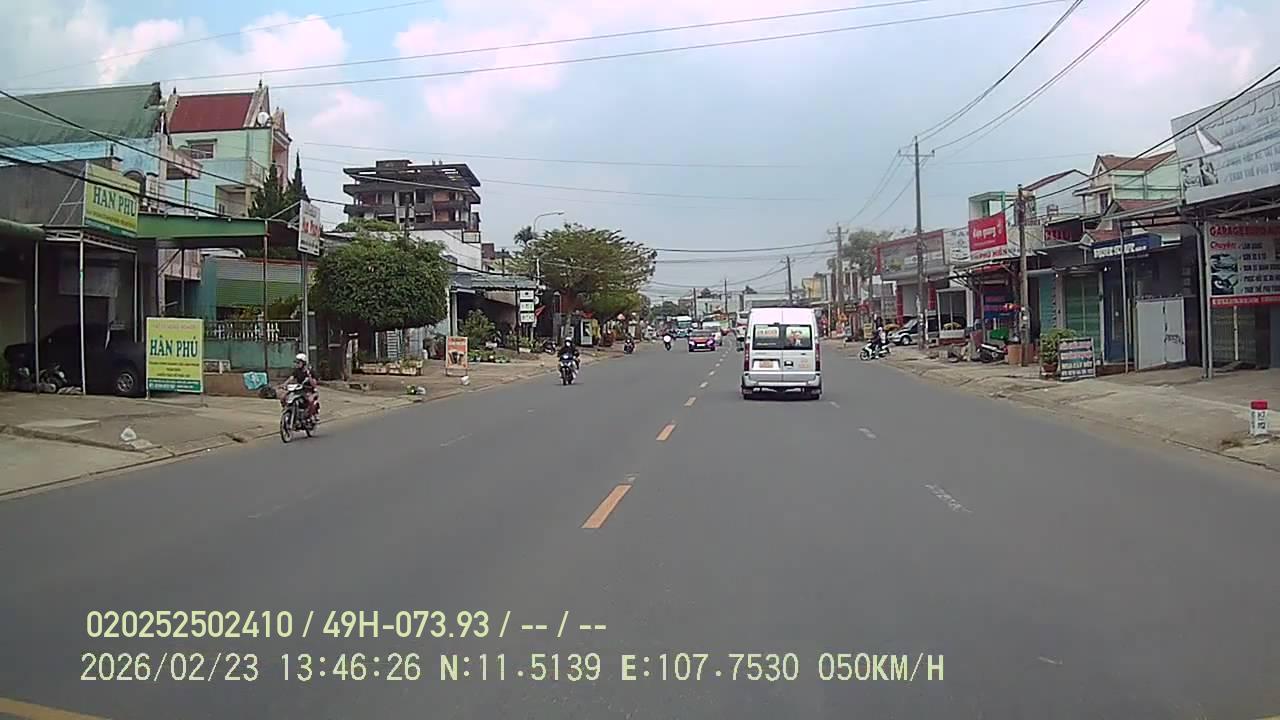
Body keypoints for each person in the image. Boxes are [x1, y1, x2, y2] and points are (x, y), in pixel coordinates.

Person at [289, 352, 319, 418]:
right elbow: (291, 378)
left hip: (309, 391)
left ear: (303, 363)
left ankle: (310, 415)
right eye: (296, 362)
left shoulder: (310, 371)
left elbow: (314, 384)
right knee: (285, 397)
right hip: (299, 390)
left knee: (310, 400)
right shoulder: (296, 371)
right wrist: (283, 385)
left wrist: (309, 376)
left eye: (298, 362)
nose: (297, 364)